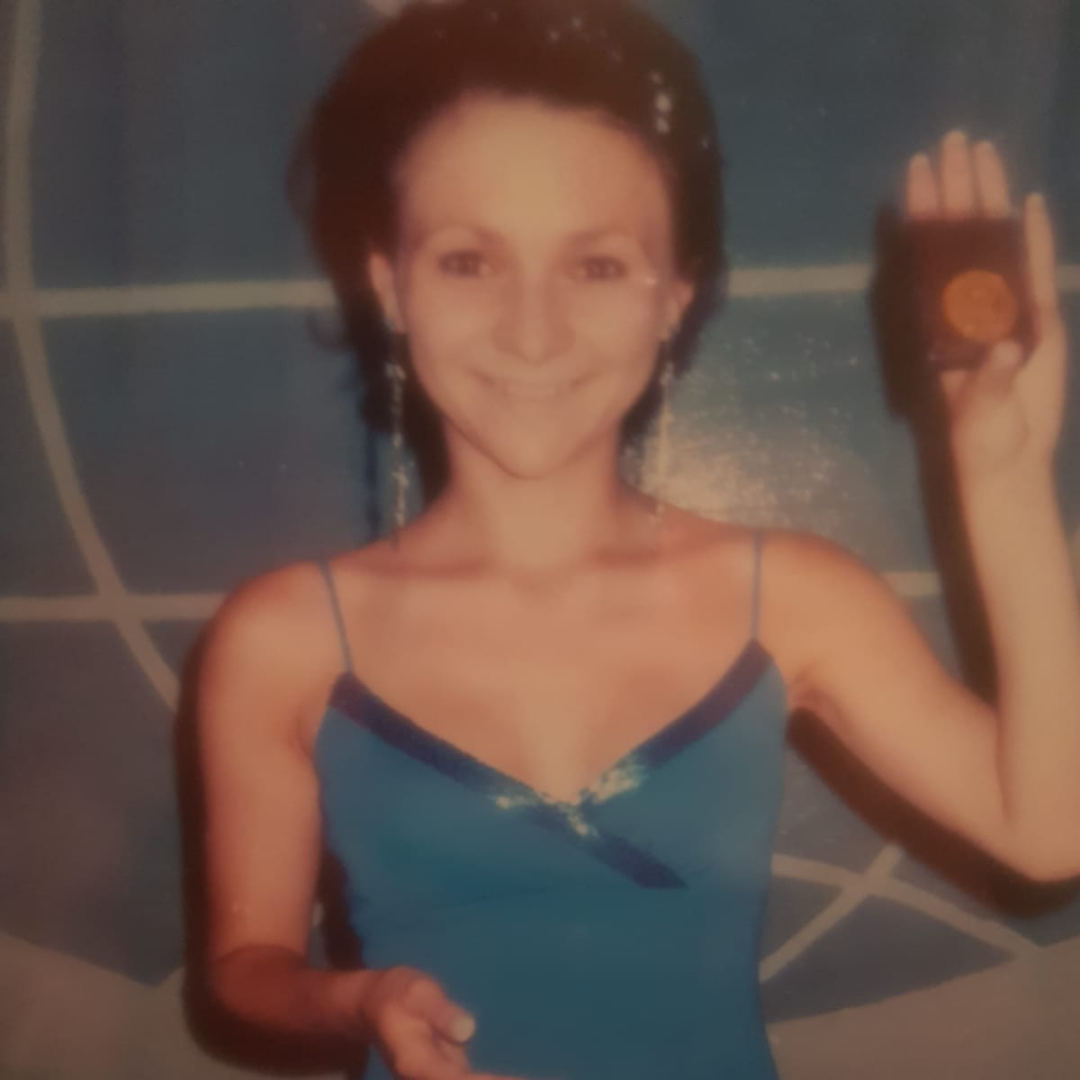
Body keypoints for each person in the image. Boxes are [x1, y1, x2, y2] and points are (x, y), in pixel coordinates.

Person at [193, 1, 1080, 1078]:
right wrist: (358, 1000)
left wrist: (1005, 480)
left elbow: (1049, 832)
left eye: (598, 266)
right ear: (391, 284)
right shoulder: (284, 635)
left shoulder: (791, 600)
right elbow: (243, 966)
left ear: (673, 295)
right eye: (469, 261)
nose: (532, 330)